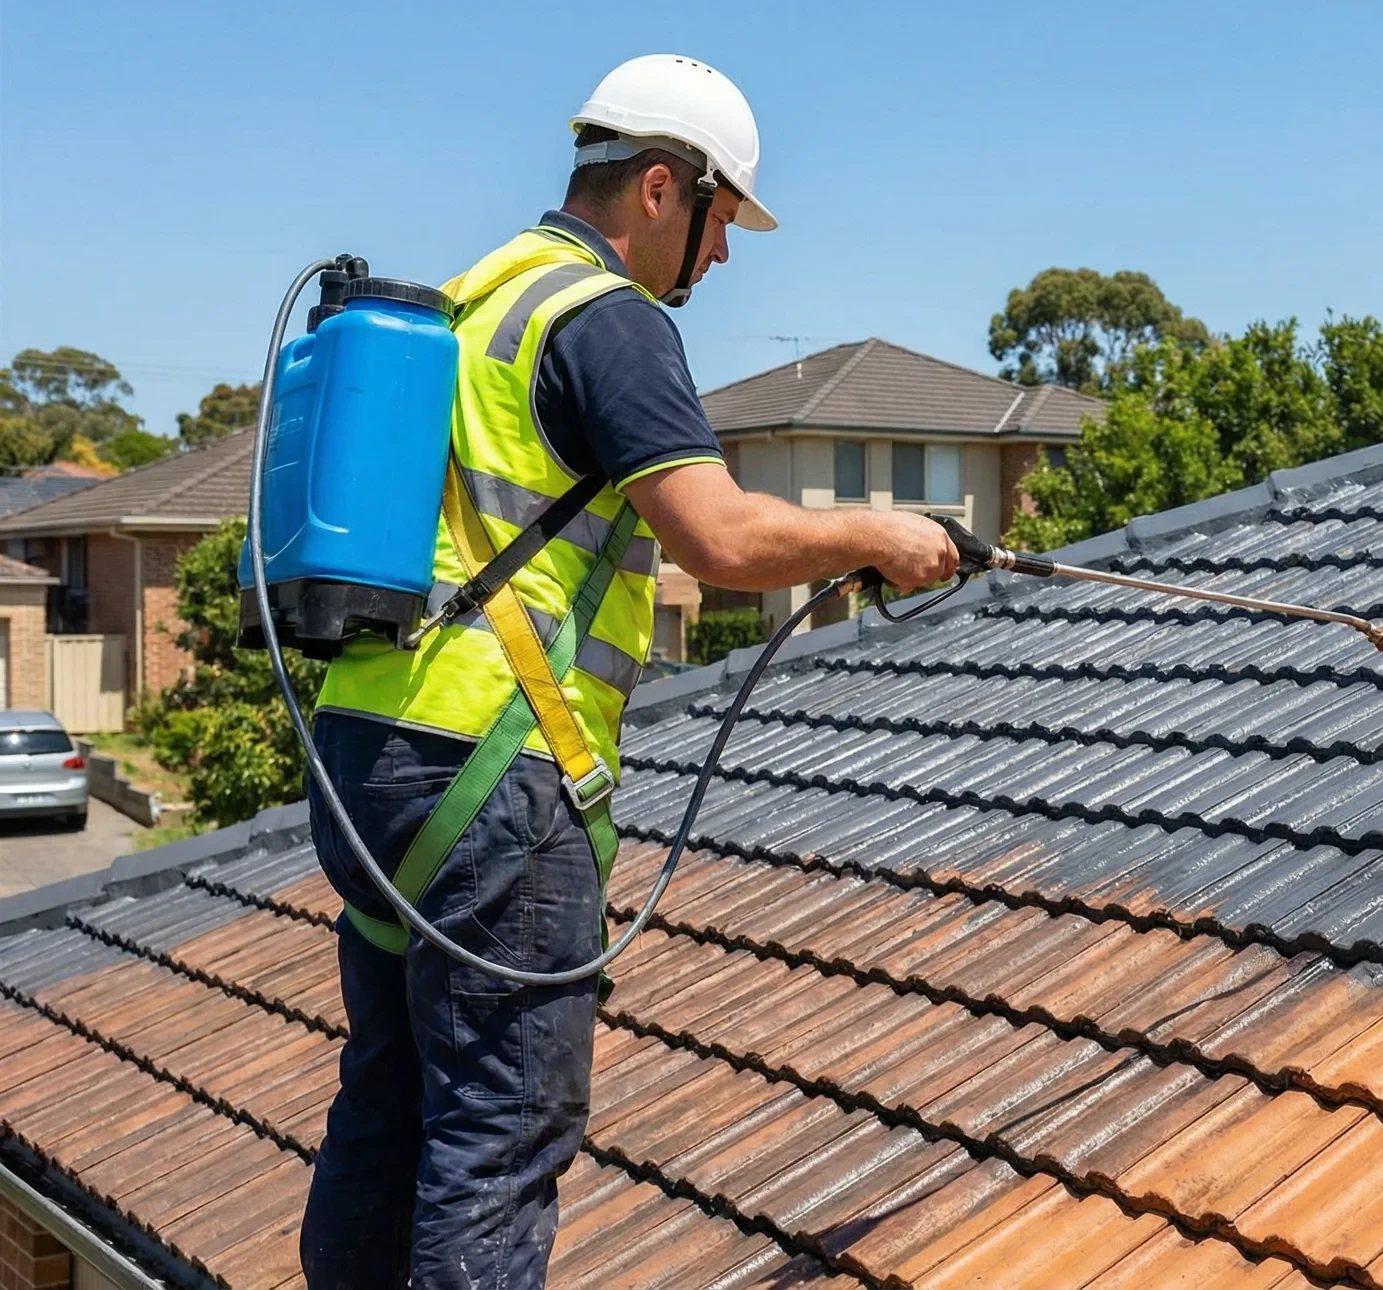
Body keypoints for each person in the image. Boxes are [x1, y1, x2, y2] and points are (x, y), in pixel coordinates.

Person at [296, 54, 956, 1289]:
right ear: (662, 188)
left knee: (386, 1117)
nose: (719, 259)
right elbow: (722, 538)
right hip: (494, 775)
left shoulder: (477, 295)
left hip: (367, 755)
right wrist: (882, 531)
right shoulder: (606, 318)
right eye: (719, 225)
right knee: (498, 1140)